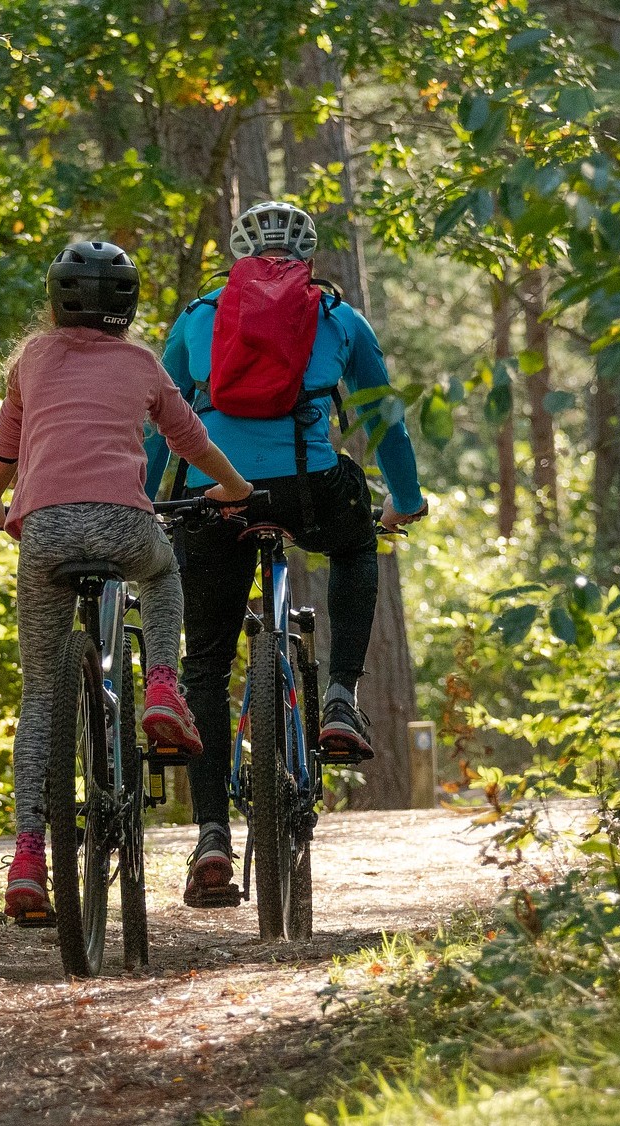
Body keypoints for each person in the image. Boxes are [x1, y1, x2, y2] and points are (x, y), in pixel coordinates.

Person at [146, 201, 428, 908]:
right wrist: (406, 497)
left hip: (215, 494)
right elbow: (382, 418)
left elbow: (157, 420)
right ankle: (339, 697)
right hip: (309, 489)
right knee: (357, 546)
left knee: (205, 662)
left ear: (239, 254)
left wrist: (148, 498)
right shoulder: (337, 318)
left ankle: (211, 834)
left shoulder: (199, 315)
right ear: (306, 256)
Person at [0, 241, 254, 921]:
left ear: (56, 299)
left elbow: (5, 454)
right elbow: (189, 440)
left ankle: (29, 857)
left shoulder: (31, 362)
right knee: (161, 574)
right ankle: (161, 685)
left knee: (40, 697)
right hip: (127, 527)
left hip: (44, 534)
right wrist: (235, 489)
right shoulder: (142, 365)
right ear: (127, 308)